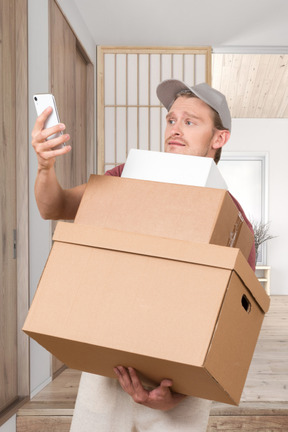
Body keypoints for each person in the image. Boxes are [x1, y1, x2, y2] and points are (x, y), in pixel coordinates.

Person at [32, 79, 256, 431]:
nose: (175, 129)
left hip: (180, 389)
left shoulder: (234, 222)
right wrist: (45, 166)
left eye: (190, 122)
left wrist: (176, 396)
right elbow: (54, 206)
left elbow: (229, 329)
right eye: (171, 120)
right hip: (106, 370)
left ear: (219, 139)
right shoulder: (126, 176)